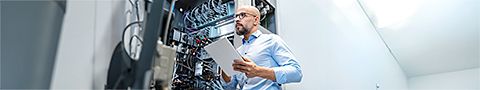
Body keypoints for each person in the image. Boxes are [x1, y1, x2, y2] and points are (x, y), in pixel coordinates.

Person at [221, 5, 302, 90]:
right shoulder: (238, 52)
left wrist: (258, 71)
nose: (237, 19)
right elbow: (230, 87)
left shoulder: (272, 40)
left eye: (242, 15)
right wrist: (224, 69)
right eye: (236, 16)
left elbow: (296, 73)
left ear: (255, 20)